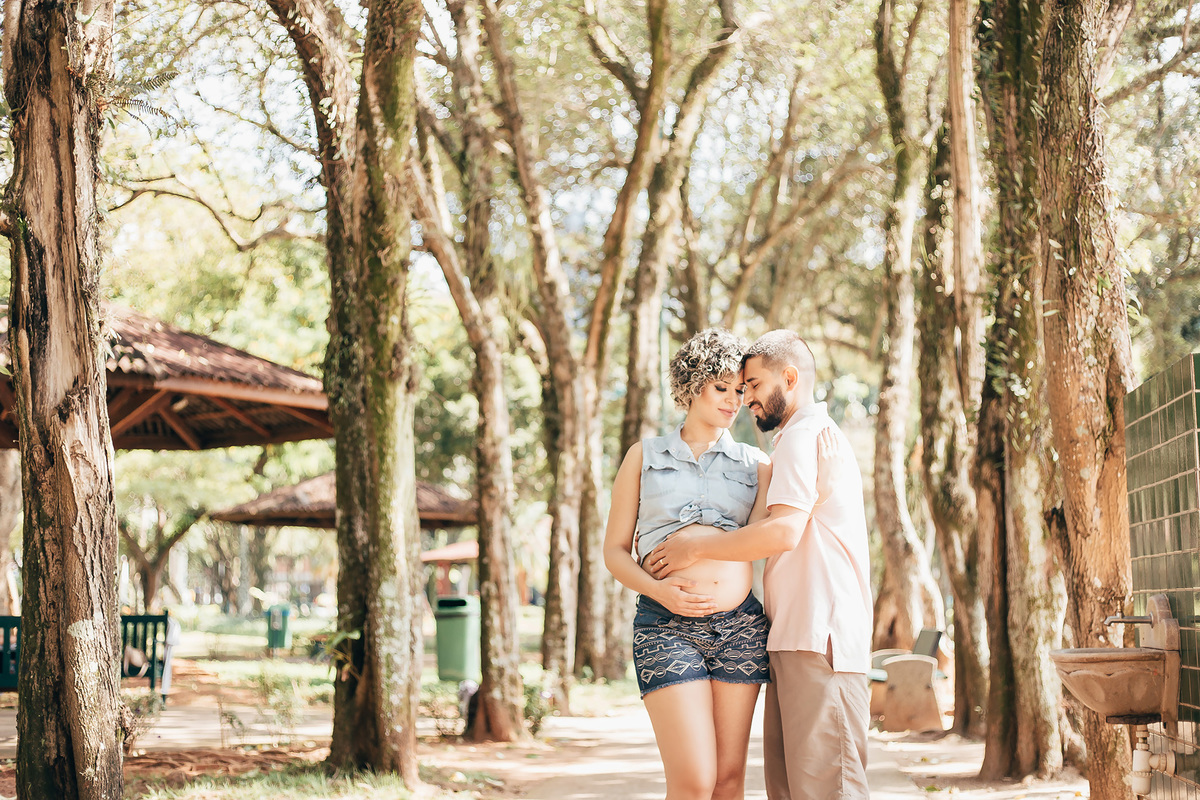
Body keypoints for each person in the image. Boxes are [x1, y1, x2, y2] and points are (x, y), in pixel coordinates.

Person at [648, 329, 872, 800]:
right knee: (792, 788)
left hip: (820, 637)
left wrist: (695, 548)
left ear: (788, 379)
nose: (745, 397)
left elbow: (782, 533)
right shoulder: (795, 440)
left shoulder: (802, 437)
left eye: (751, 385)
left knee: (827, 789)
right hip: (793, 637)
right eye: (736, 387)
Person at [602, 328, 771, 800]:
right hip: (665, 626)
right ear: (693, 384)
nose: (733, 400)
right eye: (722, 388)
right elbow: (614, 550)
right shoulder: (644, 456)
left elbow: (758, 543)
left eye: (740, 390)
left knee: (728, 781)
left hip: (740, 627)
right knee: (695, 781)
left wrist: (698, 550)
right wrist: (660, 591)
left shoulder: (756, 463)